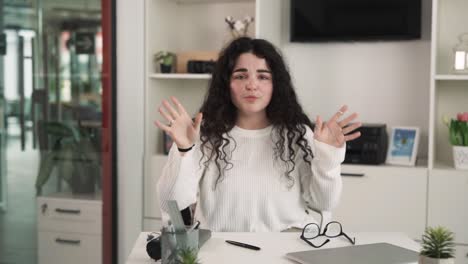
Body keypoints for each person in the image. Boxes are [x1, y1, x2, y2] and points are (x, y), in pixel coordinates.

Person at [155, 37, 362, 232]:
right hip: (221, 250)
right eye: (241, 76)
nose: (252, 85)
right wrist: (184, 150)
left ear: (276, 85)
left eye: (263, 76)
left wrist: (328, 157)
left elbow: (323, 203)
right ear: (226, 84)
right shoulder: (203, 134)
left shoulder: (297, 134)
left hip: (286, 246)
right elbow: (170, 204)